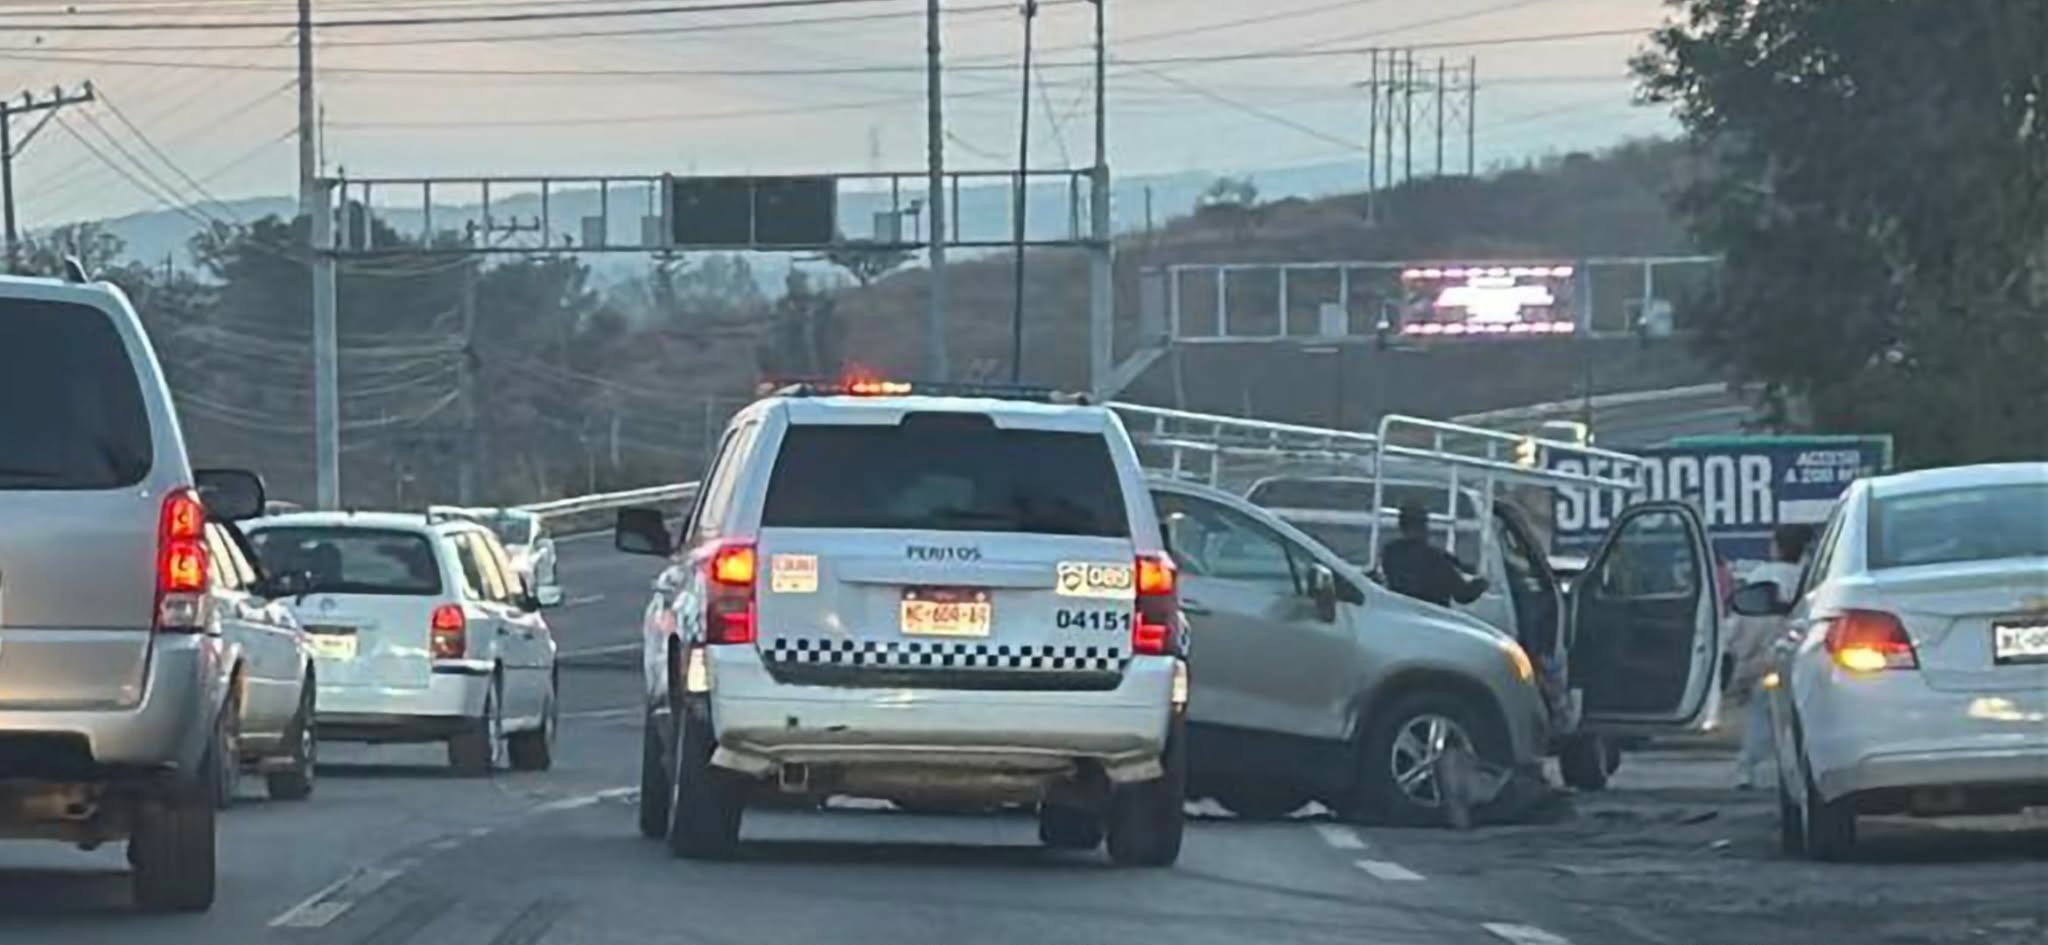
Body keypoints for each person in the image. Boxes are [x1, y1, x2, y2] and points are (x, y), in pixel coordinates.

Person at [1730, 523, 1817, 789]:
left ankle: (1748, 769)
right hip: (1804, 658)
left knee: (1761, 714)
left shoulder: (1761, 576)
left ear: (1777, 547)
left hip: (1764, 660)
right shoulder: (1812, 577)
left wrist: (1739, 658)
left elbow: (1745, 623)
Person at [1381, 501, 1490, 608]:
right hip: (1433, 618)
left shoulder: (1390, 553)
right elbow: (1462, 595)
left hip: (1399, 615)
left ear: (1401, 525)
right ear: (1424, 526)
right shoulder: (1434, 559)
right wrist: (1482, 583)